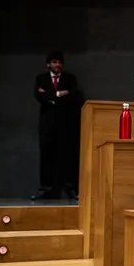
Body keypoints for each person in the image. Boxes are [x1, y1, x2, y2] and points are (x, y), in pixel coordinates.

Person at [33, 51, 83, 200]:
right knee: (46, 157)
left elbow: (73, 95)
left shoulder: (69, 79)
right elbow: (39, 97)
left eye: (60, 62)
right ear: (48, 64)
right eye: (54, 62)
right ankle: (45, 188)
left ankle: (70, 188)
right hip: (47, 126)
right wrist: (59, 94)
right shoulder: (41, 78)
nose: (57, 65)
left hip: (65, 125)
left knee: (67, 158)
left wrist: (51, 96)